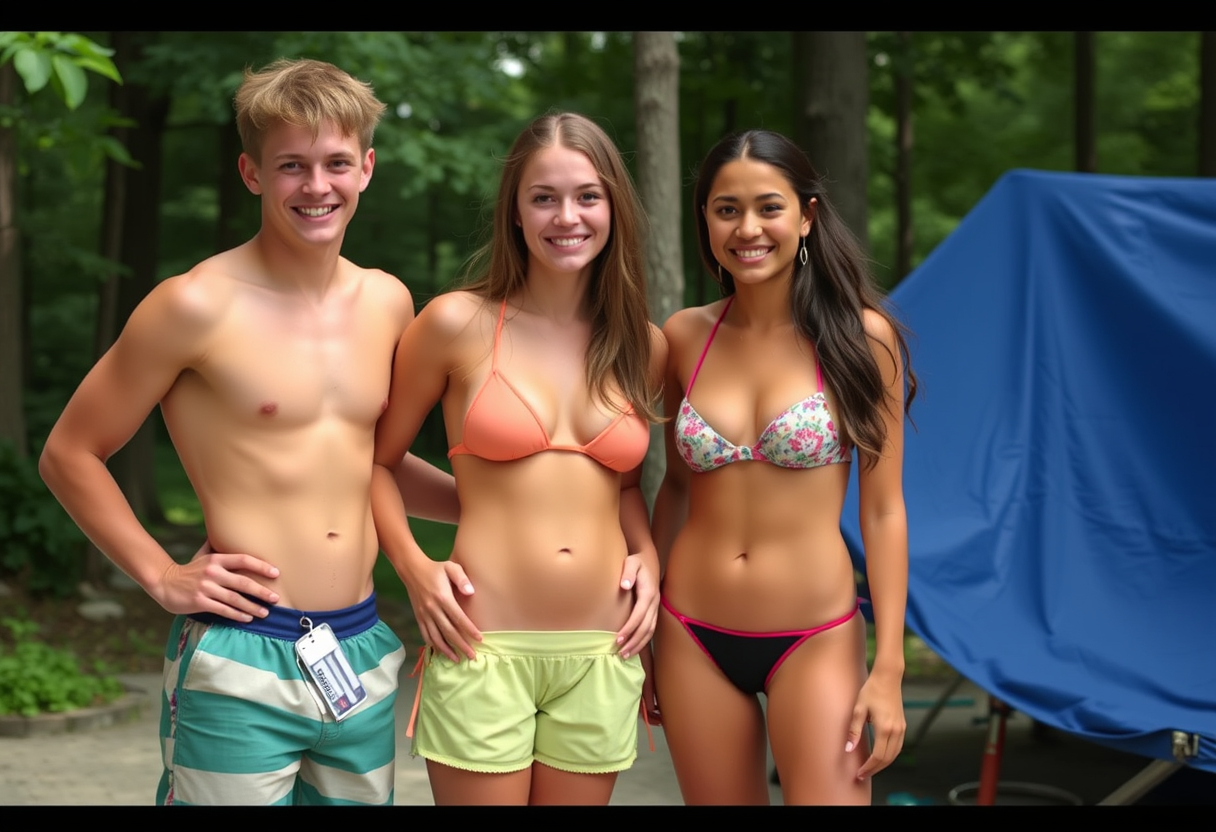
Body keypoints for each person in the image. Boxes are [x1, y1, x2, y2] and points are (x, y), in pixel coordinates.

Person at [38, 58, 458, 806]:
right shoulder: (194, 305)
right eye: (291, 166)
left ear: (366, 167)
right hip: (241, 648)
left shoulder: (389, 302)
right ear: (252, 173)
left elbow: (374, 461)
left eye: (335, 163)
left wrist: (506, 507)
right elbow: (70, 452)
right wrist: (161, 575)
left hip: (359, 647)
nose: (316, 186)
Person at [370, 111, 664, 806]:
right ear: (515, 213)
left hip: (602, 649)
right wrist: (415, 569)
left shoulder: (641, 345)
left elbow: (619, 488)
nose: (568, 216)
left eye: (588, 196)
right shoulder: (454, 325)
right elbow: (376, 464)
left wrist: (648, 555)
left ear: (614, 207)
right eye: (544, 197)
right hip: (483, 644)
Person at [650, 129, 917, 805]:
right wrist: (649, 627)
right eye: (725, 209)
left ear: (807, 215)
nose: (748, 229)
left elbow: (883, 510)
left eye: (769, 207)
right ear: (705, 221)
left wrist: (888, 668)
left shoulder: (863, 338)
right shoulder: (683, 336)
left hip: (815, 634)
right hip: (690, 631)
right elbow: (676, 487)